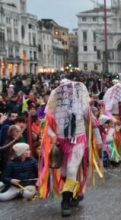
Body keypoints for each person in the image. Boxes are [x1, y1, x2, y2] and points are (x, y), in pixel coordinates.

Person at [37, 79, 101, 217]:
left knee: (72, 169)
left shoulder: (81, 103)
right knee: (65, 172)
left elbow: (91, 120)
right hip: (61, 141)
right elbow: (46, 124)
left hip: (78, 139)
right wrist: (53, 135)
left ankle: (65, 202)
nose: (67, 92)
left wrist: (99, 139)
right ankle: (73, 194)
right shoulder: (55, 105)